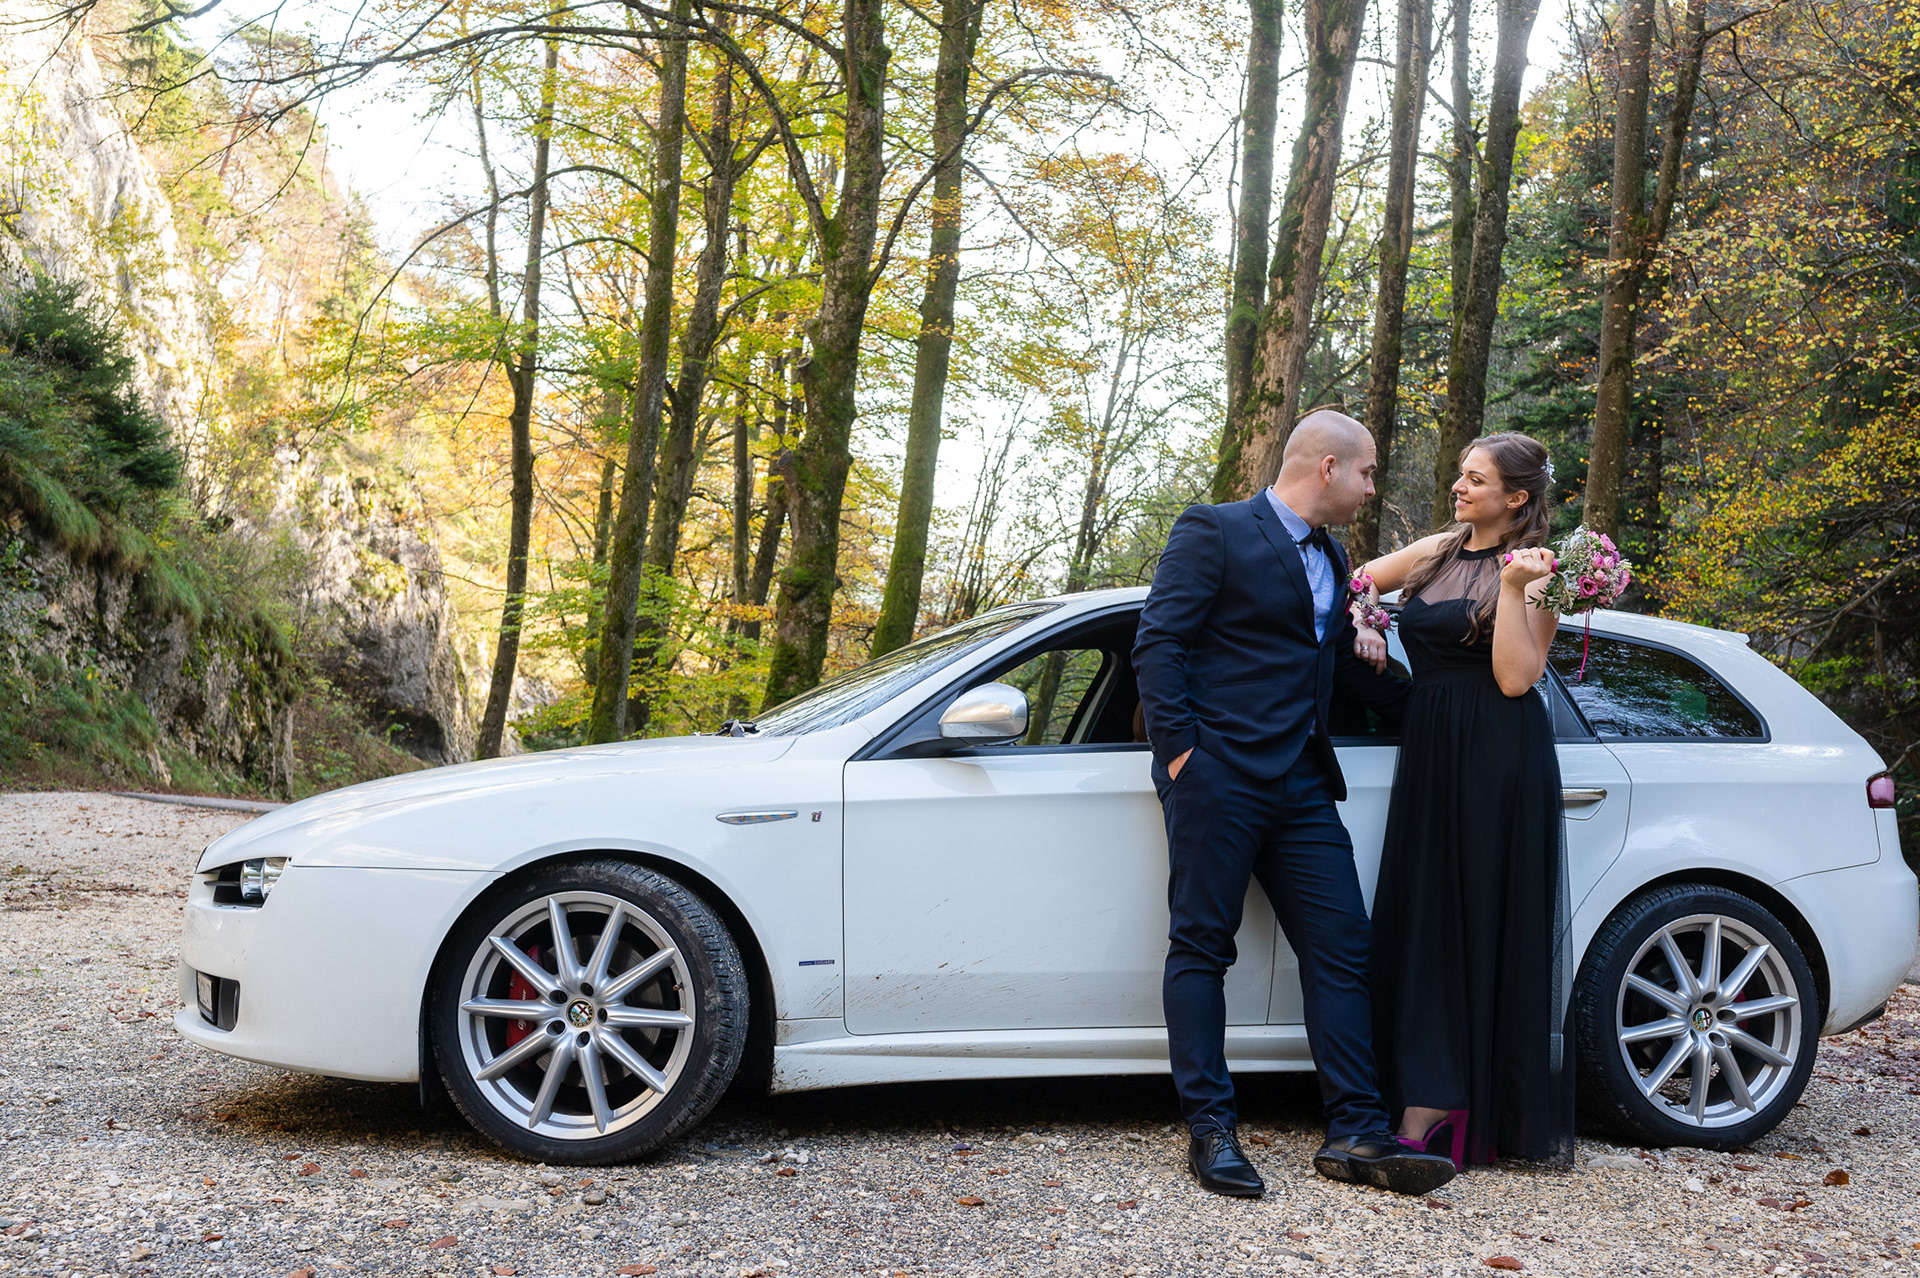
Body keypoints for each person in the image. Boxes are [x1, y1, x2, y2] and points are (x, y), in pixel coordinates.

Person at [1132, 408, 1457, 1198]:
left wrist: (1453, 711)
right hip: (1219, 777)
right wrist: (1183, 758)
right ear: (1328, 468)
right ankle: (1212, 1130)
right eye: (1368, 472)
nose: (1372, 487)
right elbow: (1159, 641)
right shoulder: (1214, 529)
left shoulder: (1335, 557)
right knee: (1202, 948)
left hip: (1304, 785)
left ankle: (1356, 1131)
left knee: (1342, 948)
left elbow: (1337, 666)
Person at [1348, 431, 1574, 1170]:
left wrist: (1511, 588)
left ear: (1516, 497)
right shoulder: (1438, 551)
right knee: (1424, 917)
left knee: (1469, 919)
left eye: (1476, 479)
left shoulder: (1540, 572)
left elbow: (1515, 677)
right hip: (1431, 748)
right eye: (1461, 474)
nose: (1459, 486)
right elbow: (1355, 582)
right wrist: (1368, 624)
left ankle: (1445, 1100)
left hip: (1496, 757)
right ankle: (1418, 1086)